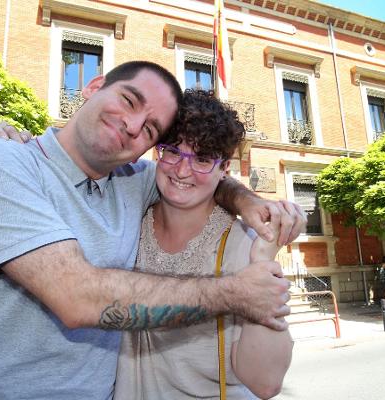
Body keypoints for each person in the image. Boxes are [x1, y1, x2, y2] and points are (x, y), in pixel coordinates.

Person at [0, 61, 304, 400]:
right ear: (93, 87)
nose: (132, 125)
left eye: (150, 129)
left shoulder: (132, 182)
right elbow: (77, 297)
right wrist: (237, 292)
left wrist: (250, 203)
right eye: (129, 100)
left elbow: (194, 178)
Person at [114, 90, 293, 400]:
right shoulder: (128, 221)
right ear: (158, 152)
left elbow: (265, 382)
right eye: (172, 151)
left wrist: (264, 259)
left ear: (224, 169)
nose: (183, 171)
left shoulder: (242, 246)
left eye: (202, 159)